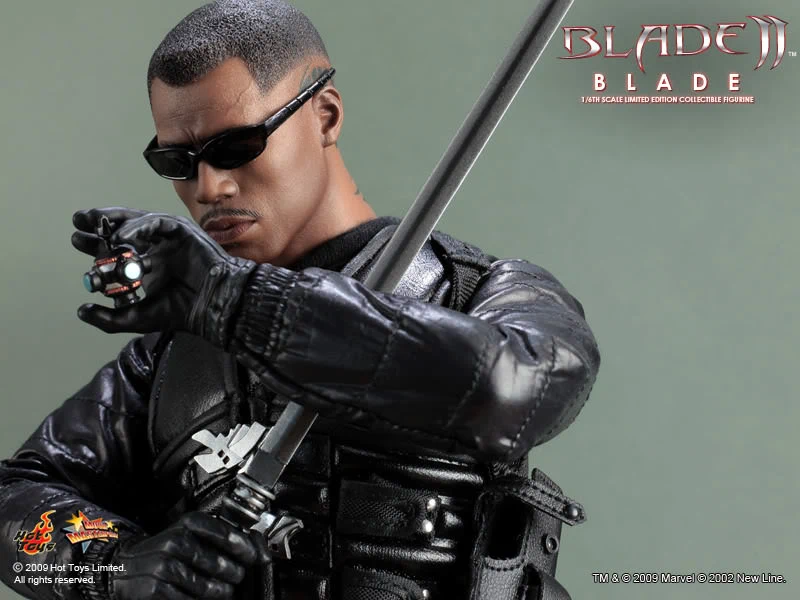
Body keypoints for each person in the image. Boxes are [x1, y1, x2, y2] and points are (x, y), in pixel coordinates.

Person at [0, 1, 600, 599]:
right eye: (177, 162)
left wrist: (242, 302)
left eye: (237, 146)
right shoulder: (172, 356)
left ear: (325, 116)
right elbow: (14, 498)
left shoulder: (475, 291)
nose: (209, 187)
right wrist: (112, 567)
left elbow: (520, 388)